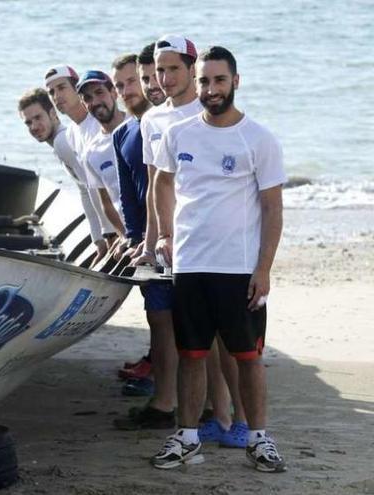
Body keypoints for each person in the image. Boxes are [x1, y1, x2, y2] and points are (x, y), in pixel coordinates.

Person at [150, 46, 287, 472]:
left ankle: (259, 439)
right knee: (191, 354)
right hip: (190, 266)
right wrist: (165, 236)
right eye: (206, 81)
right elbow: (161, 183)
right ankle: (187, 436)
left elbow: (272, 209)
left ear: (236, 81)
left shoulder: (259, 139)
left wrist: (263, 269)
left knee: (247, 357)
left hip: (238, 269)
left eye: (219, 80)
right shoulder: (180, 133)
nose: (211, 89)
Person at [109, 52, 177, 430]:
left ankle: (209, 408)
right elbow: (130, 200)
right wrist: (135, 240)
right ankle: (164, 402)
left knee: (199, 329)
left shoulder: (178, 122)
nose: (133, 89)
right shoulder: (124, 135)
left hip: (187, 242)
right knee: (159, 321)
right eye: (121, 85)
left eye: (135, 80)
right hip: (152, 246)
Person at [43, 65, 111, 261]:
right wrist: (98, 237)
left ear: (76, 89)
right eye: (52, 92)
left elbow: (110, 185)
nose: (57, 96)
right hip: (109, 229)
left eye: (62, 88)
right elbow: (86, 189)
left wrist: (114, 232)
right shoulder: (70, 134)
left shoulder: (100, 121)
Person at [76, 70, 131, 241]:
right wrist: (124, 236)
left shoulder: (139, 126)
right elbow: (106, 203)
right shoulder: (91, 153)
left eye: (99, 93)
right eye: (87, 98)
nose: (95, 102)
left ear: (114, 93)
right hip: (132, 234)